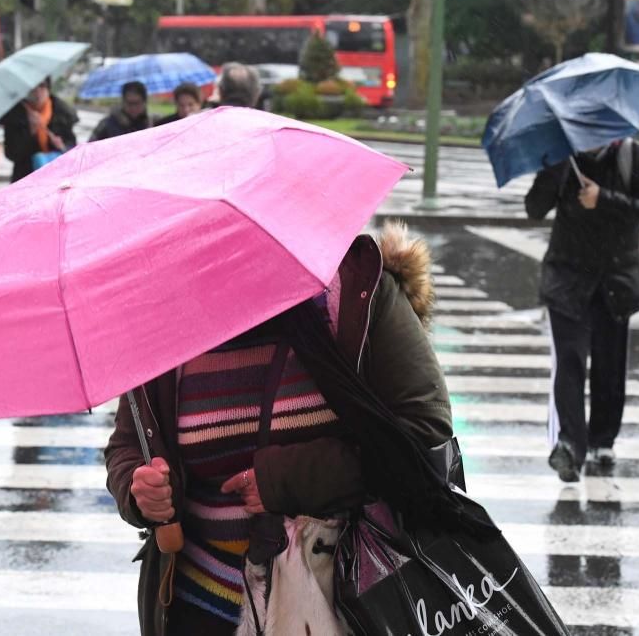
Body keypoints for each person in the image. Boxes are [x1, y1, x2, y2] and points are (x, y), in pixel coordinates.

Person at [105, 222, 453, 635]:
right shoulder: (162, 318)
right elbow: (129, 444)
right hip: (198, 612)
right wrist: (138, 488)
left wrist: (282, 480)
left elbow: (425, 434)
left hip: (340, 607)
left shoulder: (356, 295)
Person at [525, 139, 639, 482]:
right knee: (569, 365)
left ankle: (603, 440)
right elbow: (534, 208)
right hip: (568, 281)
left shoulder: (630, 155)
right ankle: (570, 446)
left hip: (615, 281)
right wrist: (555, 171)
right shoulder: (563, 157)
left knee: (609, 366)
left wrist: (604, 198)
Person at [0, 77, 77, 182]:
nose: (38, 91)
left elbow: (73, 148)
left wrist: (61, 146)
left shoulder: (61, 112)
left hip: (56, 177)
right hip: (25, 178)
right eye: (33, 87)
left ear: (48, 88)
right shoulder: (16, 114)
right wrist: (31, 131)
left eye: (42, 86)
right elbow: (11, 153)